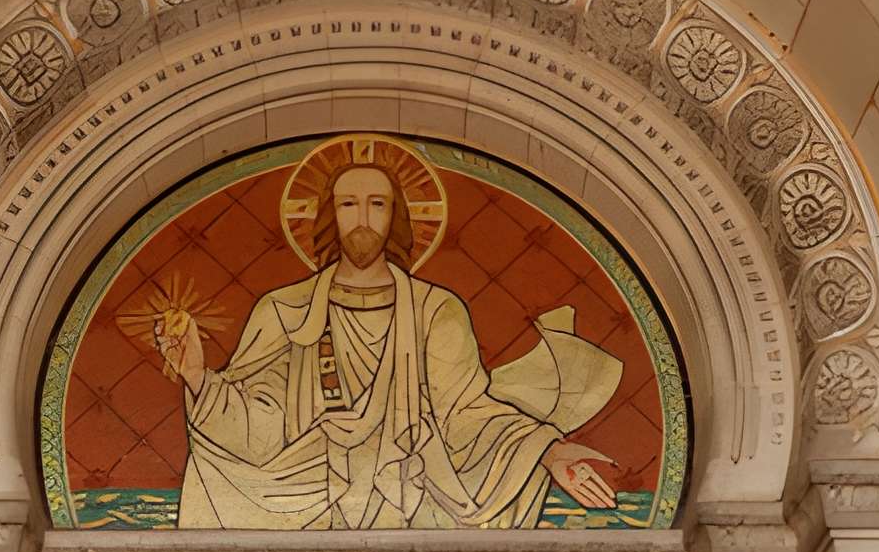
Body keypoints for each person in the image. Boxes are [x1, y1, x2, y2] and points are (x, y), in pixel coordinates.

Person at [152, 148, 623, 531]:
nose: (362, 218)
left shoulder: (436, 311)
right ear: (329, 215)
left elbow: (464, 414)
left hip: (411, 488)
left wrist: (549, 452)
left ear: (396, 216)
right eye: (348, 204)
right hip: (306, 494)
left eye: (377, 204)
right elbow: (262, 427)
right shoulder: (284, 310)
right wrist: (197, 376)